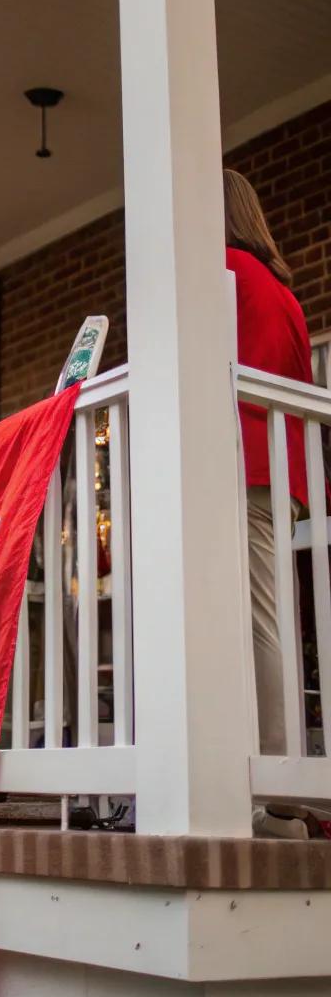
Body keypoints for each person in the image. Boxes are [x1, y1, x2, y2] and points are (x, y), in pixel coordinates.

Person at [225, 170, 313, 778]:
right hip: (283, 472)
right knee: (268, 618)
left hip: (242, 462)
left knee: (256, 625)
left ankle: (280, 787)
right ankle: (277, 782)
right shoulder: (281, 289)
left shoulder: (223, 270)